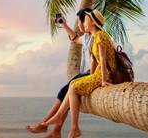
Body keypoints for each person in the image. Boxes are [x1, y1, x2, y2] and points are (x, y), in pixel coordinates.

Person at [38, 8, 118, 138]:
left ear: (92, 22)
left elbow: (103, 60)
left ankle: (72, 127)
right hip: (98, 73)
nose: (84, 23)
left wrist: (103, 80)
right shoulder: (94, 37)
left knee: (73, 86)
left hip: (105, 74)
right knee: (73, 84)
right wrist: (63, 25)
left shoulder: (100, 36)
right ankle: (61, 121)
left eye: (85, 21)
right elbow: (93, 57)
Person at [25, 9, 93, 137]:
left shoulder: (96, 37)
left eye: (80, 22)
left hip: (92, 74)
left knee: (69, 89)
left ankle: (45, 125)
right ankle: (55, 129)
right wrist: (64, 25)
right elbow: (74, 38)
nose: (79, 25)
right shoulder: (87, 38)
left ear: (88, 22)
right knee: (63, 91)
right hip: (86, 73)